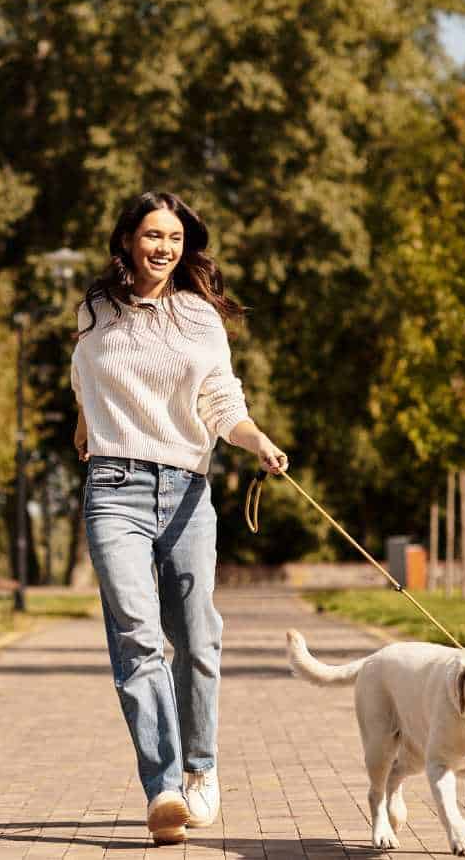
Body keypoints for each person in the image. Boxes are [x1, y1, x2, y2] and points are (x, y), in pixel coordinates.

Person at [70, 191, 288, 845]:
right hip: (113, 489)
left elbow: (221, 400)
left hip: (187, 490)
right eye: (151, 234)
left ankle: (200, 769)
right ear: (127, 240)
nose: (162, 247)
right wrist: (85, 416)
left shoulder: (199, 317)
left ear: (184, 245)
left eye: (173, 237)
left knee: (196, 637)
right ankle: (163, 789)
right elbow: (85, 372)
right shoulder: (95, 308)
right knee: (137, 638)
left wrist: (256, 440)